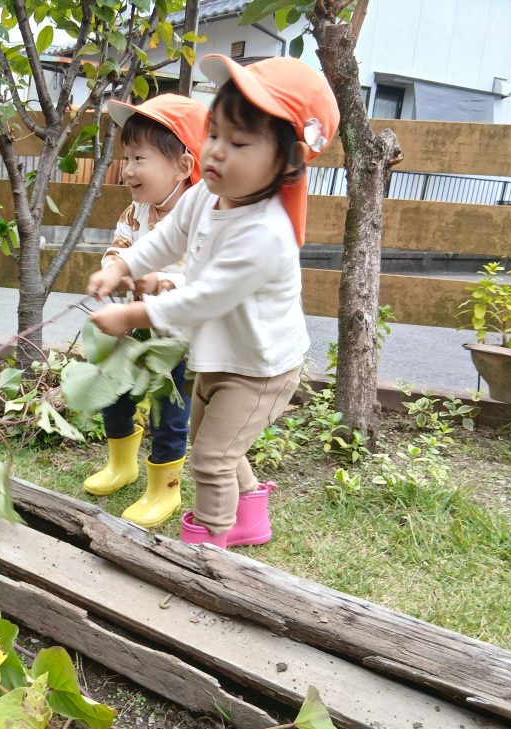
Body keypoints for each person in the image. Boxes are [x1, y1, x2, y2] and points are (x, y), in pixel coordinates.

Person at [86, 54, 339, 547]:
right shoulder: (205, 195)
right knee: (215, 443)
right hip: (222, 356)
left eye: (239, 143)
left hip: (259, 370)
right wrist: (123, 265)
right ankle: (251, 520)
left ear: (288, 161)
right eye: (215, 135)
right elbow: (168, 239)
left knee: (211, 459)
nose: (217, 152)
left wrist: (133, 313)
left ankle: (207, 550)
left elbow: (203, 299)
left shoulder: (266, 232)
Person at [83, 94, 208, 529]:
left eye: (140, 158)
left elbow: (204, 281)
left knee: (169, 411)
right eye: (126, 158)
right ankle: (121, 464)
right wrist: (112, 271)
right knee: (115, 393)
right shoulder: (135, 211)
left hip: (180, 341)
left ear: (183, 165)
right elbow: (118, 248)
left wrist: (159, 282)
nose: (128, 170)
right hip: (135, 329)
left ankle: (164, 488)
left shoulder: (203, 218)